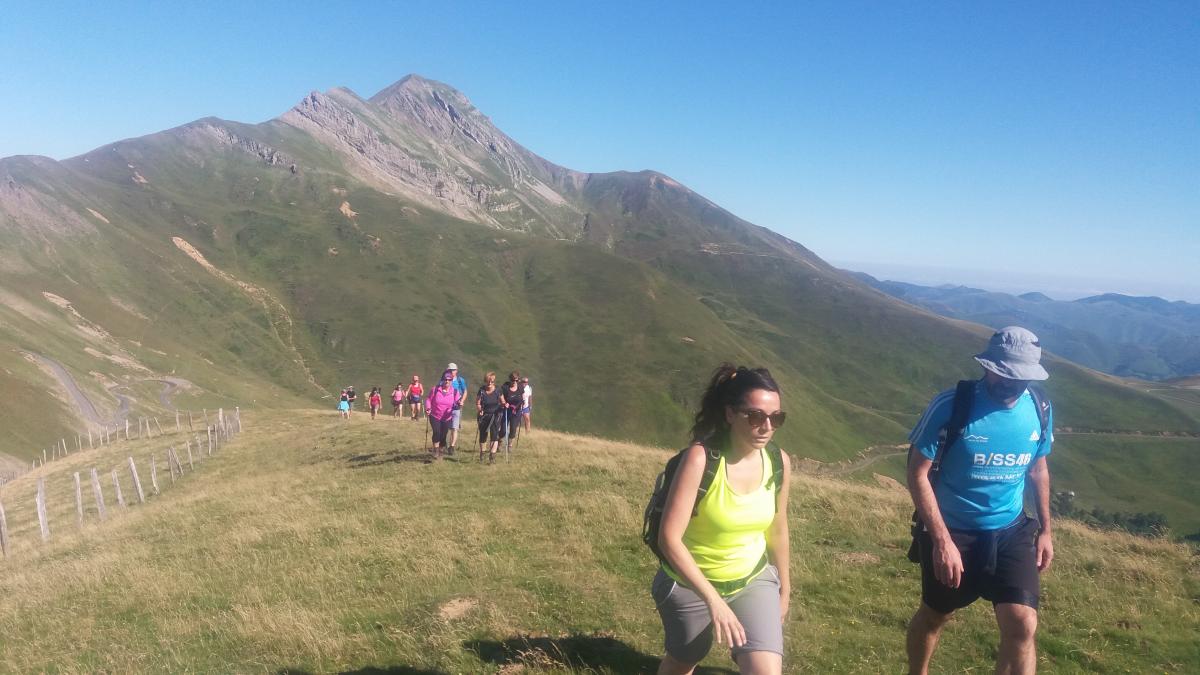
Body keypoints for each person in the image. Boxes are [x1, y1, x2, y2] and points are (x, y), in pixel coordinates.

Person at [905, 326, 1055, 675]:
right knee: (936, 615)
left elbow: (1038, 470)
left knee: (1022, 624)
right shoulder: (951, 406)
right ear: (987, 366)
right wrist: (941, 541)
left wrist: (1046, 530)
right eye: (1002, 372)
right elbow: (917, 472)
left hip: (1011, 529)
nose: (1009, 383)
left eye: (1019, 377)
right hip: (954, 528)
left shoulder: (1040, 406)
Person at [652, 365, 791, 675]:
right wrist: (714, 601)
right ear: (730, 414)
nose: (766, 426)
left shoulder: (778, 462)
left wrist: (785, 590)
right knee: (684, 661)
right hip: (689, 582)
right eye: (755, 416)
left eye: (776, 418)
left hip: (752, 579)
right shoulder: (700, 460)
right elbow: (669, 539)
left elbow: (778, 529)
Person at [425, 374, 458, 461]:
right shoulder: (435, 389)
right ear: (442, 380)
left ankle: (441, 451)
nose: (447, 381)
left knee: (443, 435)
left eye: (449, 380)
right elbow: (428, 399)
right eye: (445, 379)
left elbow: (458, 402)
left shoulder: (454, 392)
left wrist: (458, 405)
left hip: (447, 417)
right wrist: (428, 408)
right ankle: (435, 451)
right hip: (435, 415)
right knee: (437, 432)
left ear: (452, 381)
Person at [476, 371, 504, 464]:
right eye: (488, 381)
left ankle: (492, 456)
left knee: (494, 435)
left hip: (495, 415)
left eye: (492, 381)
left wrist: (505, 404)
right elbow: (478, 403)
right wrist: (480, 410)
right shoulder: (481, 390)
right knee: (483, 435)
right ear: (485, 380)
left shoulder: (498, 390)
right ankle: (482, 453)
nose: (490, 383)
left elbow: (502, 401)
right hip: (484, 415)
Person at [445, 362, 468, 456]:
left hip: (456, 407)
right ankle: (444, 444)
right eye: (450, 370)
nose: (452, 371)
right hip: (445, 408)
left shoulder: (460, 380)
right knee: (446, 428)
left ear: (456, 371)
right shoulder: (444, 379)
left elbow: (465, 391)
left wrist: (462, 400)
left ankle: (452, 446)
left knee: (454, 428)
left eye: (453, 370)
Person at [499, 371, 524, 451]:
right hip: (506, 410)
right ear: (510, 380)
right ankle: (499, 443)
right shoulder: (505, 387)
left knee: (513, 429)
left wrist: (521, 405)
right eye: (513, 380)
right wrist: (504, 403)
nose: (514, 382)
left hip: (516, 411)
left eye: (516, 380)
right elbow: (500, 397)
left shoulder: (520, 387)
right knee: (503, 430)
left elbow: (521, 398)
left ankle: (510, 446)